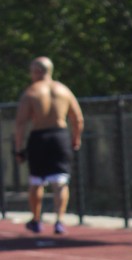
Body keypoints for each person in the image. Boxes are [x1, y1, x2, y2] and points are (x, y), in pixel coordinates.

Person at [13, 56, 84, 235]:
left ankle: (36, 219)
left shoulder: (32, 92)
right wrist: (76, 138)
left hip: (39, 137)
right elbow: (77, 118)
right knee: (60, 181)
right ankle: (59, 220)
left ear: (37, 72)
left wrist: (18, 148)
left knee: (36, 181)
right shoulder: (64, 90)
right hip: (60, 136)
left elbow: (20, 123)